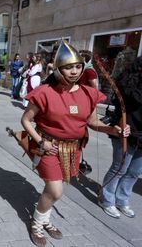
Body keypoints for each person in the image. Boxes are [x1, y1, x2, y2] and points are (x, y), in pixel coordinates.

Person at [20, 40, 130, 247]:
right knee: (55, 191)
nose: (74, 71)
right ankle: (36, 223)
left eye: (78, 66)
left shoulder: (88, 93)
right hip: (49, 148)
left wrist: (112, 130)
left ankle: (45, 220)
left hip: (73, 149)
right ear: (59, 69)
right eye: (69, 67)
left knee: (54, 191)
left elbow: (92, 122)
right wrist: (40, 141)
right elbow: (26, 120)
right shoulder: (44, 92)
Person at [100, 56, 142, 219]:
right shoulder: (127, 83)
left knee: (134, 172)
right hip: (126, 131)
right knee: (120, 168)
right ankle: (107, 200)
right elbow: (119, 105)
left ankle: (122, 200)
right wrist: (118, 125)